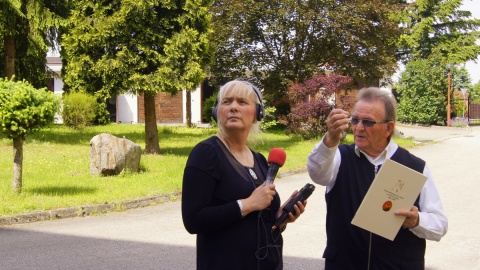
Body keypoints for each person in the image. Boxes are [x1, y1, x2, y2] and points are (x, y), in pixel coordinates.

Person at [307, 87, 448, 270]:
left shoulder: (414, 166)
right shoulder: (340, 157)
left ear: (388, 128)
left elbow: (440, 226)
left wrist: (417, 220)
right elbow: (316, 173)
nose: (358, 128)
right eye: (355, 120)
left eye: (368, 122)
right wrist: (330, 140)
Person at [182, 80, 306, 270]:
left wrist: (280, 219)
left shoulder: (260, 161)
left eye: (242, 102)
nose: (233, 107)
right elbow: (193, 220)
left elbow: (260, 224)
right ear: (217, 112)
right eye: (226, 102)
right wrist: (246, 204)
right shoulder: (206, 153)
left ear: (257, 113)